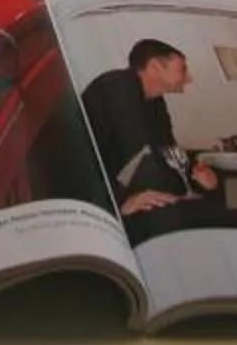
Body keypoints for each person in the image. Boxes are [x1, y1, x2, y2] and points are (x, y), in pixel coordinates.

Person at [81, 40, 221, 217]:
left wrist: (197, 177)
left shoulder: (155, 101)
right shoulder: (117, 85)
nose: (189, 79)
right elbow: (133, 150)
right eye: (182, 70)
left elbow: (167, 149)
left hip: (110, 191)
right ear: (154, 67)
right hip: (84, 191)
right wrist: (121, 202)